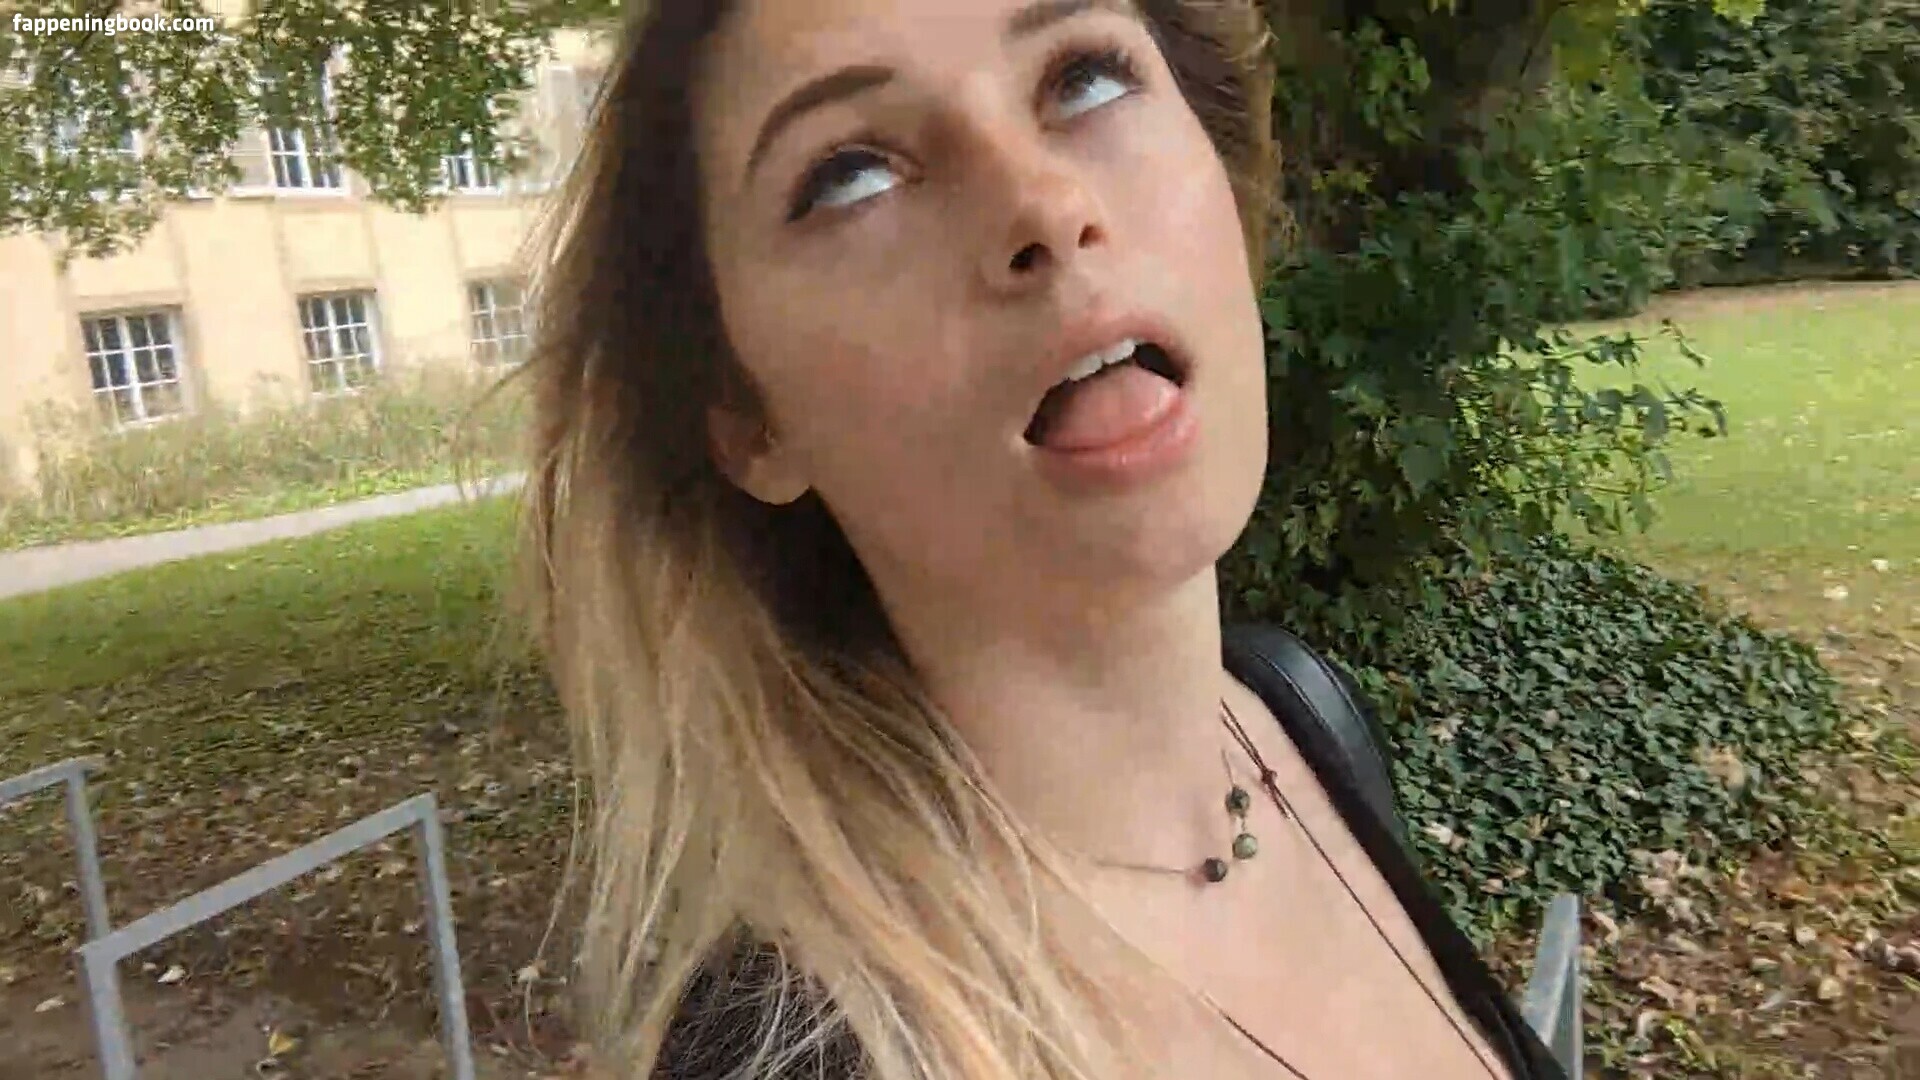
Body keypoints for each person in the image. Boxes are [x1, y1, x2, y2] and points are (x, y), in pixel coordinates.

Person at [516, 0, 1567, 1077]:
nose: (1047, 206)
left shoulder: (1298, 716)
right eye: (851, 174)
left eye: (1085, 78)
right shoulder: (791, 1057)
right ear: (748, 419)